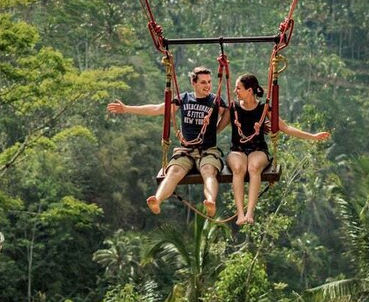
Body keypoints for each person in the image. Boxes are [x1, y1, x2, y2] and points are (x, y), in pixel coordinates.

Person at [107, 66, 229, 217]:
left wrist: (217, 129)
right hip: (186, 150)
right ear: (194, 83)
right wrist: (126, 109)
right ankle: (157, 200)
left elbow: (229, 113)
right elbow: (157, 109)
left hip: (208, 149)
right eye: (203, 82)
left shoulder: (215, 101)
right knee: (174, 171)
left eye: (209, 82)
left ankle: (210, 201)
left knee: (208, 171)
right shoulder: (184, 99)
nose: (208, 86)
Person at [228, 73, 330, 226]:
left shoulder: (263, 109)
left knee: (253, 167)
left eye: (238, 88)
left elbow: (285, 128)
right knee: (238, 168)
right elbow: (216, 127)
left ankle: (249, 212)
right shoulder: (233, 108)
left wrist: (313, 136)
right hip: (238, 150)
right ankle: (240, 214)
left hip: (258, 149)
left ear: (249, 91)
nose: (235, 91)